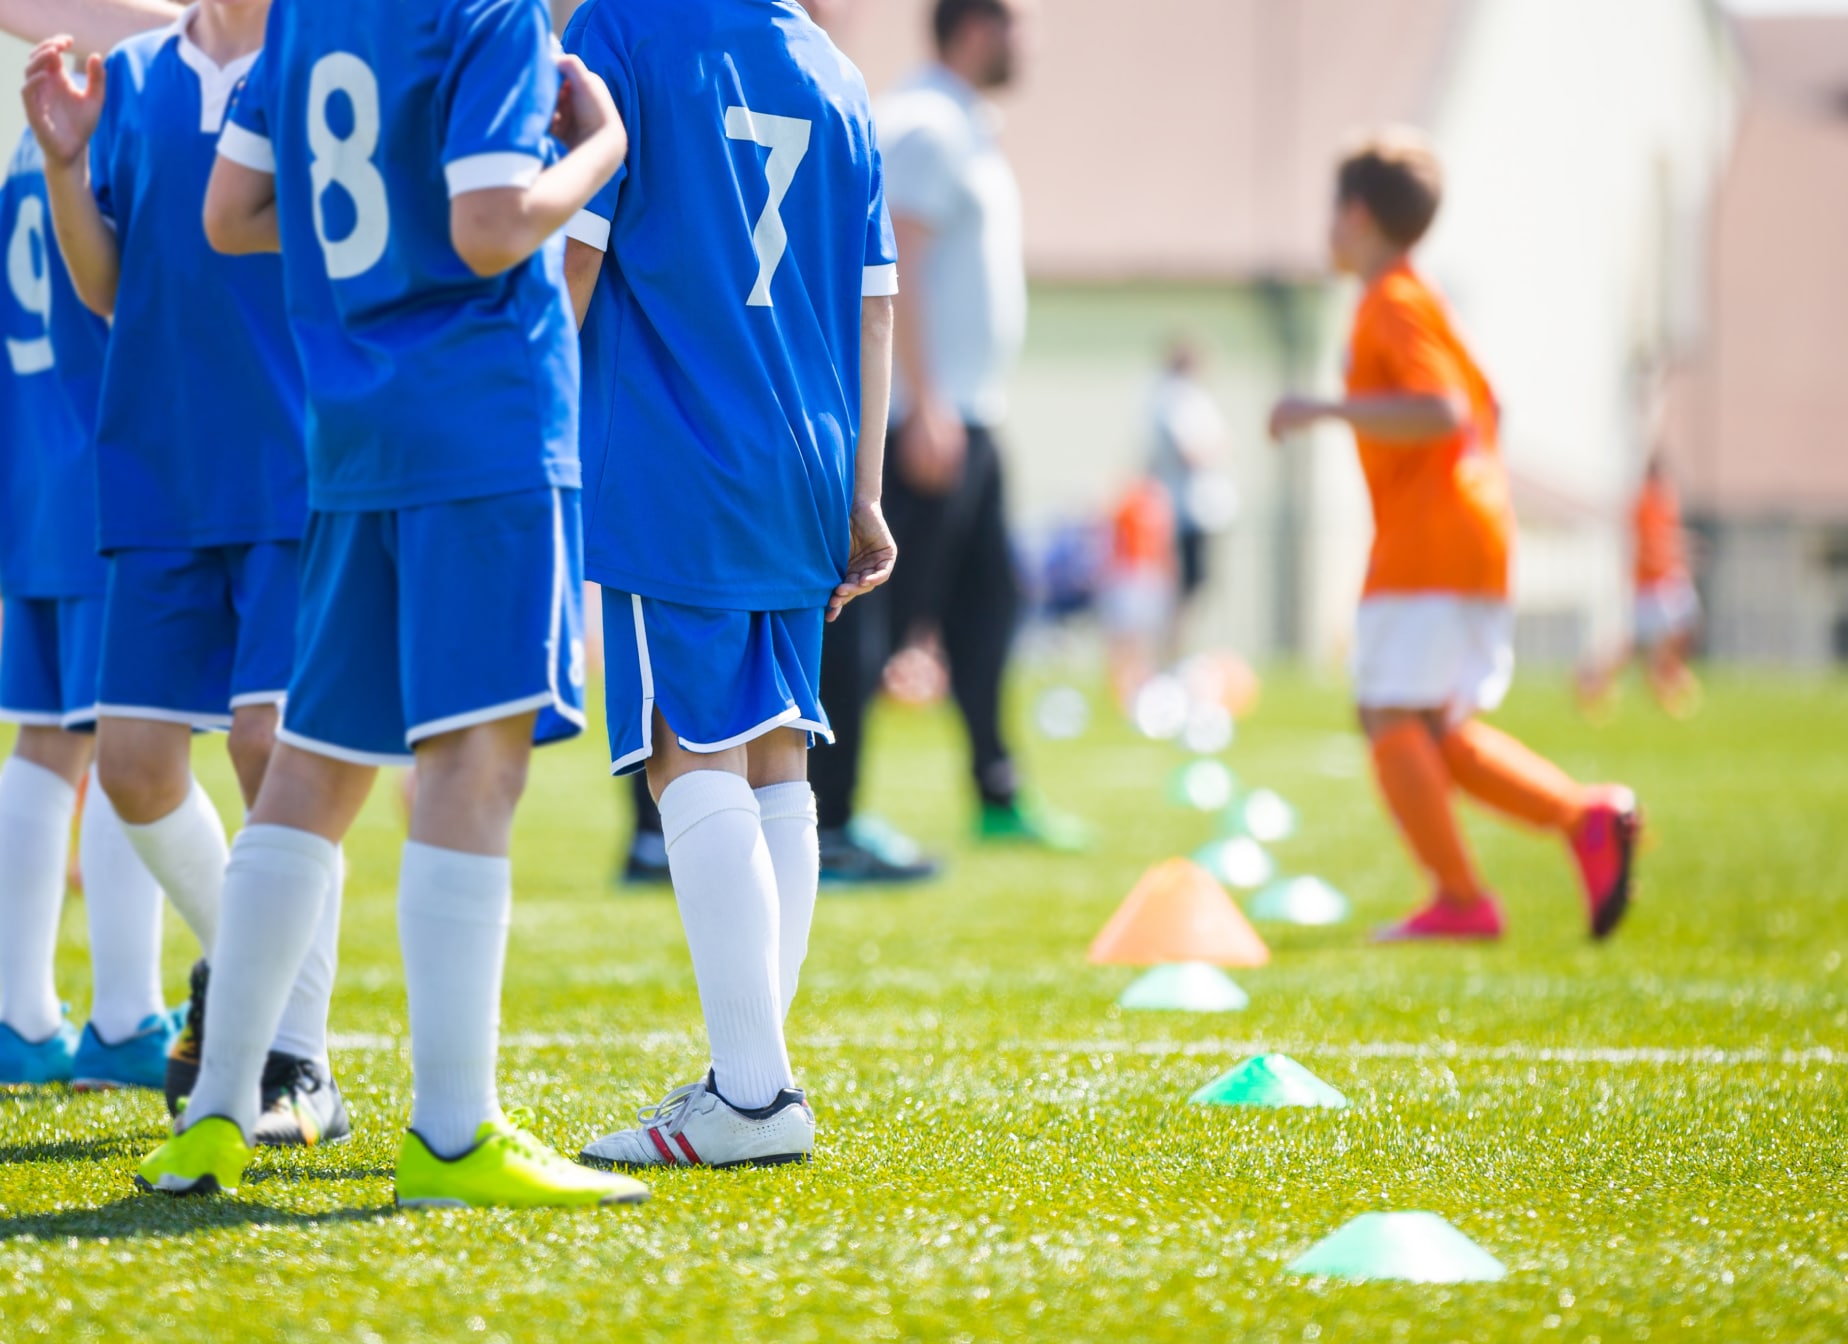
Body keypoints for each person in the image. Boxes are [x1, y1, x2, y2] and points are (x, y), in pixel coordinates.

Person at [134, 0, 643, 1209]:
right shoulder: (487, 11)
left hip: (353, 427)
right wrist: (608, 145)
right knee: (473, 764)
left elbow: (229, 213)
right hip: (481, 423)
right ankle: (456, 1137)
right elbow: (487, 228)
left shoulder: (305, 14)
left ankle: (215, 1115)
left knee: (314, 770)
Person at [561, 0, 897, 1168]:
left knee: (687, 750)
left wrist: (521, 424)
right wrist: (863, 491)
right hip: (805, 457)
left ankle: (754, 1095)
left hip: (675, 454)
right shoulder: (836, 68)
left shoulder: (623, 30)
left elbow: (577, 256)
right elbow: (876, 307)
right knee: (775, 758)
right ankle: (748, 1080)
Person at [21, 4, 348, 1143]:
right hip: (159, 462)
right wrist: (67, 165)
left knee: (272, 745)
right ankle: (247, 964)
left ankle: (297, 1054)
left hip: (299, 458)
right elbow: (110, 286)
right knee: (135, 769)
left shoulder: (321, 57)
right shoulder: (140, 76)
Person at [1268, 128, 1642, 942]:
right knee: (1432, 726)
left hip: (1428, 541)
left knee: (1387, 714)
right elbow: (1490, 402)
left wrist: (1322, 409)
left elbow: (1444, 411)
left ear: (1357, 213)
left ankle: (1464, 901)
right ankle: (1585, 820)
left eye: (1334, 210)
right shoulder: (1421, 294)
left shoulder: (1391, 300)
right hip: (1468, 531)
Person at [851, 0, 1082, 852]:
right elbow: (893, 261)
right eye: (1022, 22)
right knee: (882, 615)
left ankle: (997, 790)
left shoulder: (963, 126)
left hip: (971, 414)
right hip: (930, 417)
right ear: (977, 27)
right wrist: (926, 404)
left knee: (990, 610)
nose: (1034, 40)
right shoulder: (925, 124)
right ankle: (829, 808)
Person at [0, 125, 173, 1090]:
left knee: (44, 742)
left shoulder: (37, 130)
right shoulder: (129, 99)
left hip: (31, 465)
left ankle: (20, 1013)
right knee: (130, 740)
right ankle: (126, 1014)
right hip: (113, 466)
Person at [1578, 454, 1701, 717]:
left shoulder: (1664, 498)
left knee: (1672, 635)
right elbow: (1650, 544)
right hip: (1650, 587)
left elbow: (1665, 538)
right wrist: (1677, 552)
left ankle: (1667, 679)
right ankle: (1594, 675)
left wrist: (1683, 549)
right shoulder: (1647, 501)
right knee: (1637, 647)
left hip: (1664, 583)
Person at [1147, 339, 1234, 654]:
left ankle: (1174, 648)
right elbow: (1190, 451)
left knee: (1194, 583)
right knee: (1186, 584)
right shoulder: (1175, 398)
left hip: (1195, 506)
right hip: (1186, 507)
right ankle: (1170, 648)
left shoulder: (1183, 398)